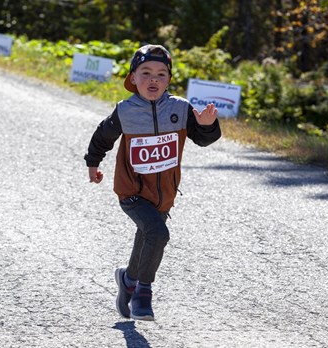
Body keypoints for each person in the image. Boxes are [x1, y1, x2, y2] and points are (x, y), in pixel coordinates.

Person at [84, 44, 221, 321]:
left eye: (161, 74)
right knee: (158, 234)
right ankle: (142, 293)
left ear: (169, 80)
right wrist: (93, 163)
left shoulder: (180, 109)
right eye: (146, 73)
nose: (153, 79)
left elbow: (204, 140)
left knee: (148, 235)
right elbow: (103, 137)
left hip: (164, 194)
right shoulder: (126, 111)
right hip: (131, 190)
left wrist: (206, 125)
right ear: (133, 78)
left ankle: (128, 279)